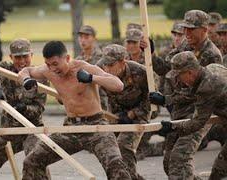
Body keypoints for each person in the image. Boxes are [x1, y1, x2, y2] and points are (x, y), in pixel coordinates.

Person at [19, 41, 131, 180]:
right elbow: (26, 70)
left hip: (95, 126)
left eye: (55, 64)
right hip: (71, 128)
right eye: (48, 64)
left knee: (116, 167)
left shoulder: (83, 67)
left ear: (67, 58)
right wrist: (26, 79)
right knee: (31, 162)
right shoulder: (47, 70)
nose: (52, 68)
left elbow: (118, 85)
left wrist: (91, 78)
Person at [149, 10, 222, 180]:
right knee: (169, 164)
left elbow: (199, 94)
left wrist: (166, 99)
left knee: (179, 161)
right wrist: (151, 55)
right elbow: (166, 68)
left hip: (199, 115)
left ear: (204, 30)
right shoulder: (185, 46)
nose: (186, 33)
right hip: (180, 113)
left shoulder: (212, 55)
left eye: (191, 29)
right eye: (185, 29)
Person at [0, 39, 48, 179]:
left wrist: (24, 108)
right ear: (11, 57)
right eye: (17, 57)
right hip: (9, 129)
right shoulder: (5, 68)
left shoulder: (39, 76)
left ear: (31, 55)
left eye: (25, 56)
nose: (22, 61)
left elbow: (39, 108)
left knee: (35, 163)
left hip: (32, 129)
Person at [156, 51, 227, 180]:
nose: (177, 80)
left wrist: (172, 127)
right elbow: (191, 94)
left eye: (179, 75)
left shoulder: (208, 87)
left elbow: (197, 123)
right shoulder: (210, 70)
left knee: (219, 171)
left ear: (190, 72)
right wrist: (165, 100)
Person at [97, 44, 149, 180]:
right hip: (115, 115)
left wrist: (132, 114)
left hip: (138, 115)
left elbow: (151, 102)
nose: (107, 69)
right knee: (108, 149)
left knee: (124, 146)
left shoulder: (140, 72)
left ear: (122, 62)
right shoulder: (100, 69)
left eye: (111, 65)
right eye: (105, 65)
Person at [76, 25, 108, 110]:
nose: (83, 40)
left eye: (86, 37)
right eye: (81, 37)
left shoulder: (102, 58)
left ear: (94, 38)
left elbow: (103, 82)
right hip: (82, 103)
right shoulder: (78, 60)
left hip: (100, 103)